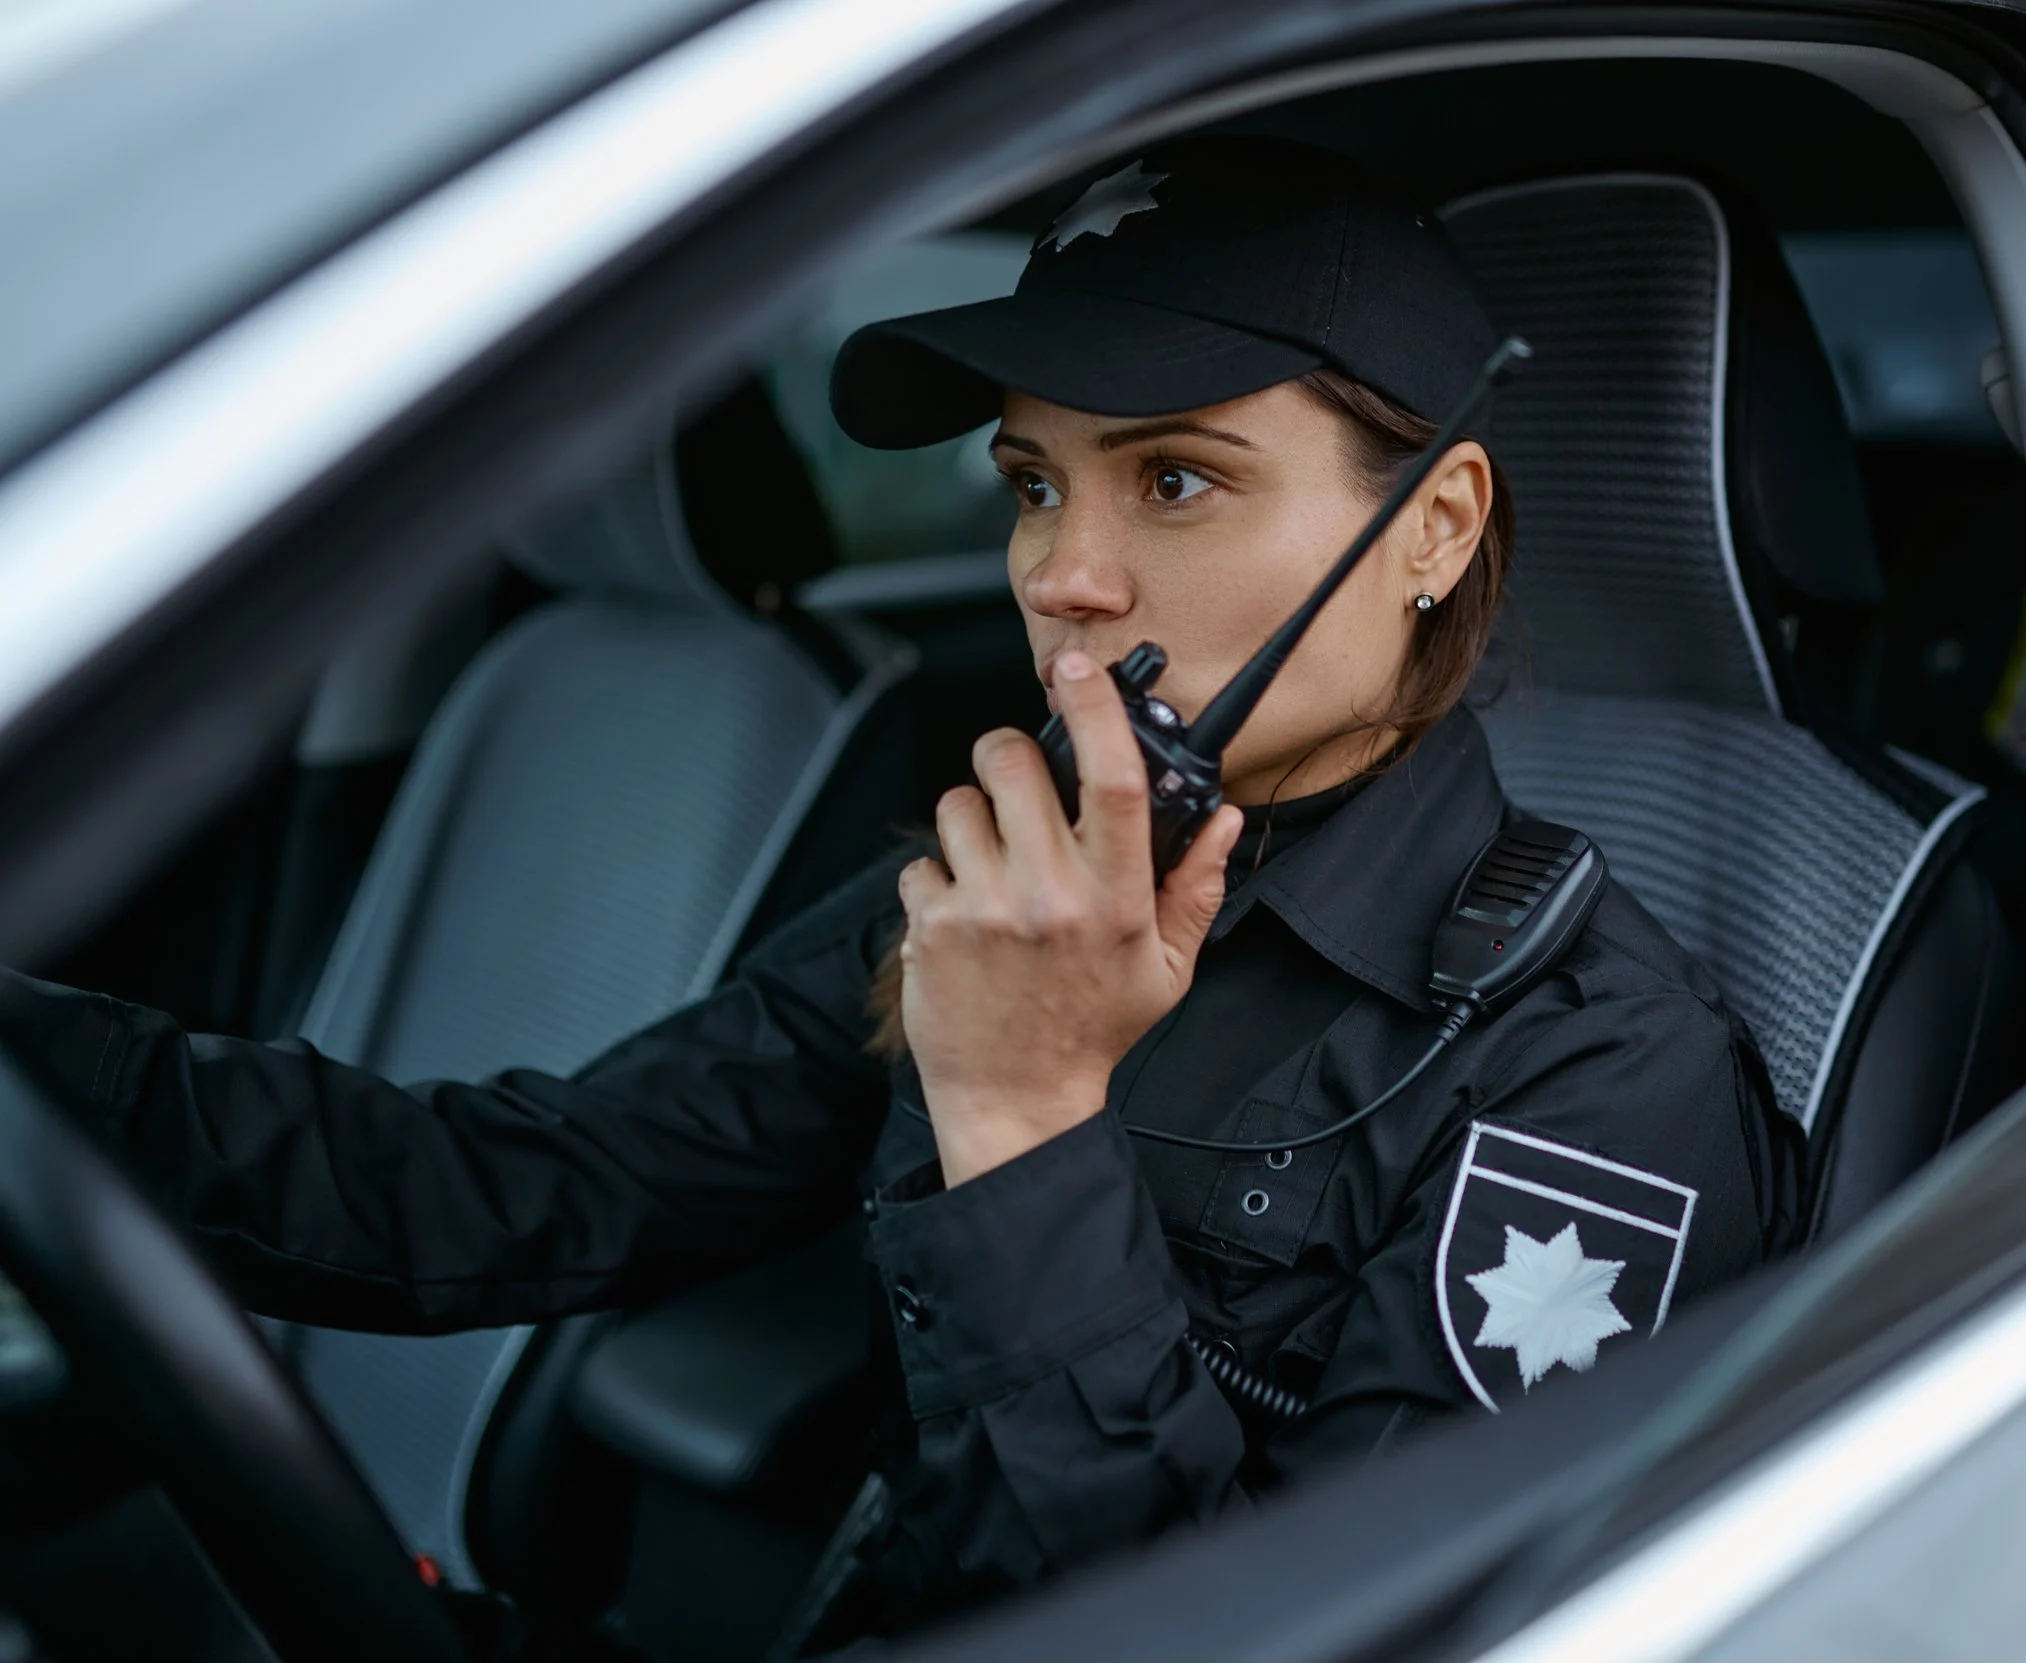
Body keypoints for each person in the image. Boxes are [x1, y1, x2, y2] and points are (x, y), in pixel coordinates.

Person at [0, 138, 1799, 1638]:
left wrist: (1022, 1117)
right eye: (1032, 483)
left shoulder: (1594, 1084)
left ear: (1439, 525)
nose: (1061, 577)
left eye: (1175, 478)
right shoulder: (1005, 883)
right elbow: (510, 1185)